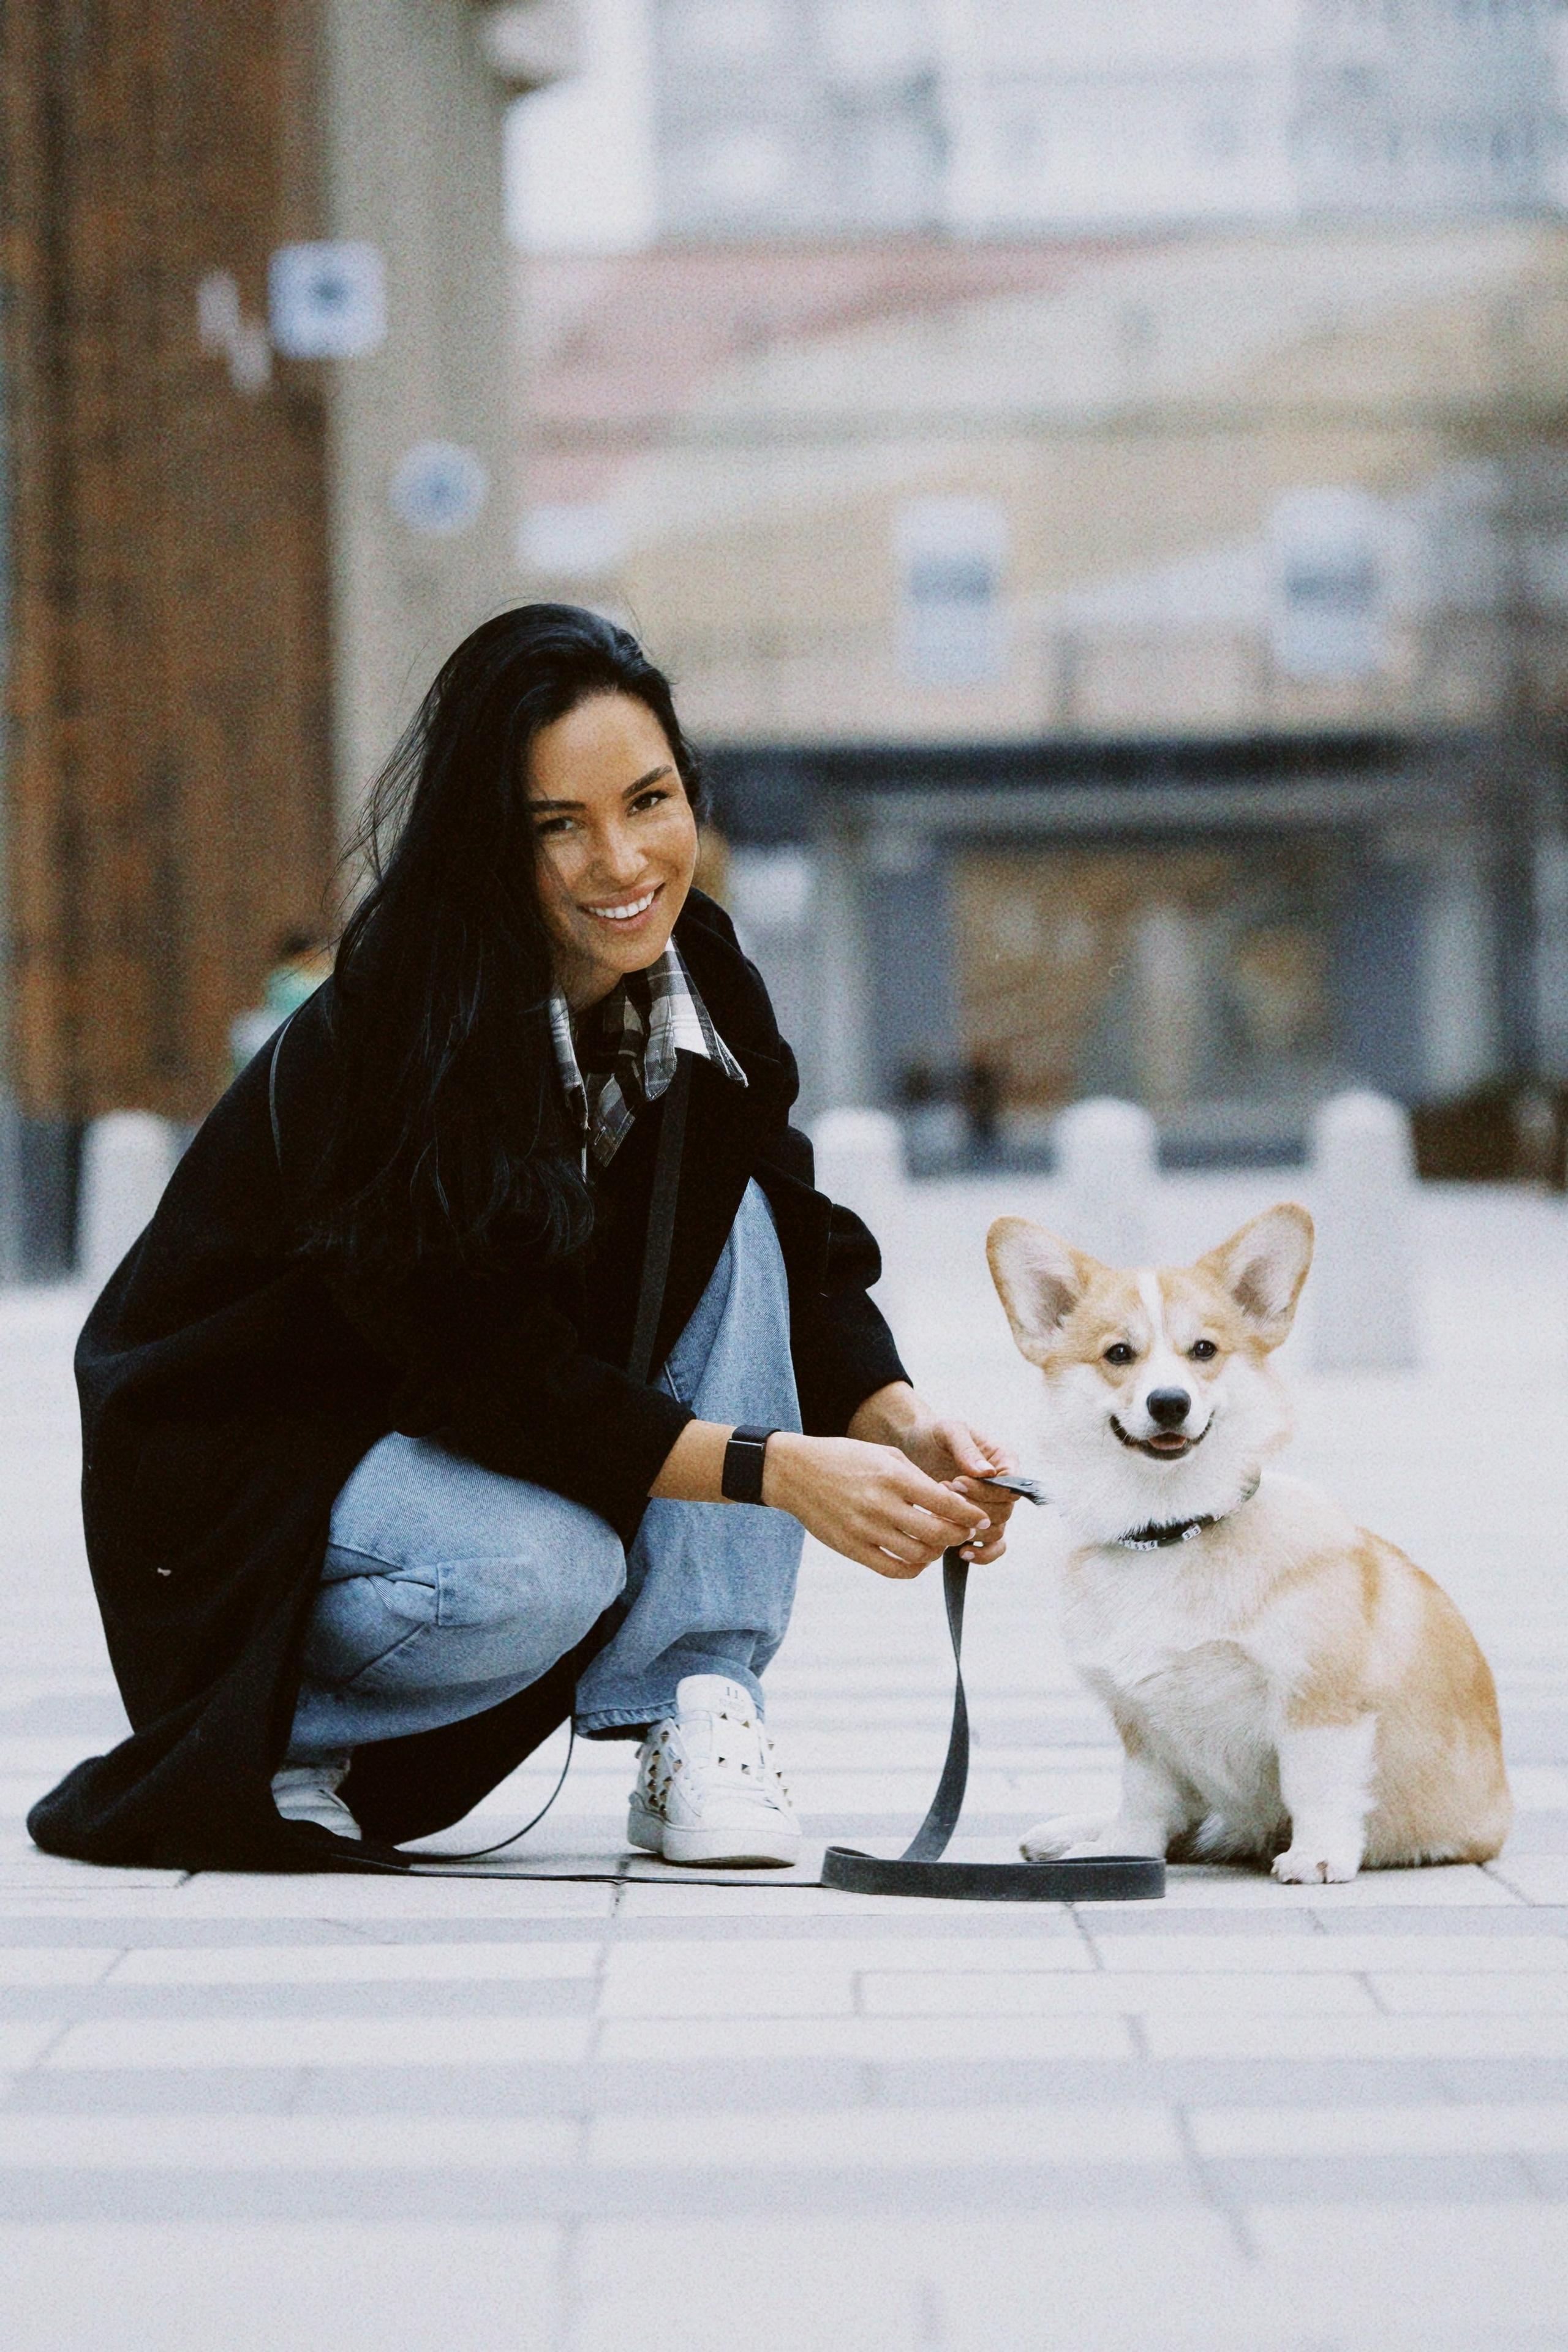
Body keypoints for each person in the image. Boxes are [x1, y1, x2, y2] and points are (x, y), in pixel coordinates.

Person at [29, 606, 1017, 1874]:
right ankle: (266, 1726)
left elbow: (791, 1233)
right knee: (545, 1572)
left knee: (747, 1213)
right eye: (559, 825)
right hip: (254, 1457)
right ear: (492, 844)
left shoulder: (703, 966)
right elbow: (478, 1369)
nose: (621, 862)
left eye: (648, 801)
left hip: (442, 1435)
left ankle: (695, 1703)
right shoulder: (400, 1027)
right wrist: (778, 1469)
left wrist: (889, 1415)